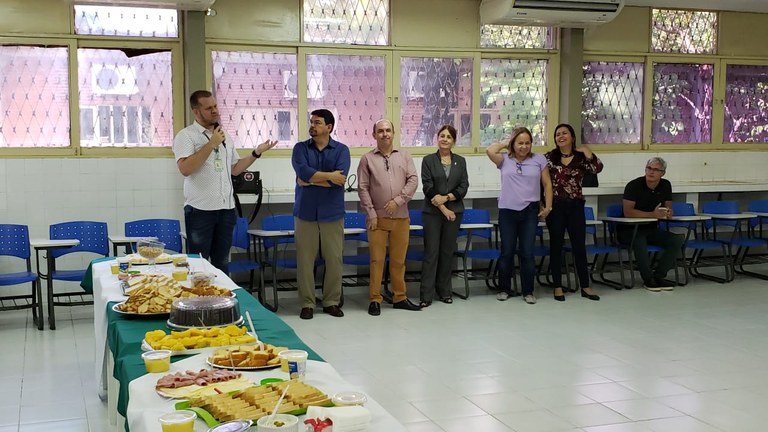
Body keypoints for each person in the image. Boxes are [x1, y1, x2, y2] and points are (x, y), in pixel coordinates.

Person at [173, 90, 277, 274]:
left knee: (222, 263)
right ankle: (199, 294)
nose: (215, 111)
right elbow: (185, 169)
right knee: (199, 264)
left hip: (226, 209)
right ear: (196, 112)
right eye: (209, 108)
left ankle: (221, 293)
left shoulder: (224, 136)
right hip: (200, 210)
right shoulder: (186, 136)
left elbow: (234, 169)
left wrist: (256, 153)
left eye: (215, 106)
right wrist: (211, 144)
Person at [358, 119, 422, 316]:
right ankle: (375, 299)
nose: (384, 134)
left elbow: (413, 180)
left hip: (401, 217)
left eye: (388, 130)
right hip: (377, 219)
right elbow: (363, 187)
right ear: (374, 135)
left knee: (398, 261)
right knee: (377, 261)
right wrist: (371, 213)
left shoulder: (404, 156)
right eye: (380, 131)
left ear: (394, 133)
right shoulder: (367, 159)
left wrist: (399, 200)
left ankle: (399, 297)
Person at [291, 109, 351, 320]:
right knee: (305, 261)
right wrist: (328, 177)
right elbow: (303, 172)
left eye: (317, 122)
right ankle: (307, 303)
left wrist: (310, 181)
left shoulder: (341, 150)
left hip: (332, 213)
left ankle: (331, 302)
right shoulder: (300, 148)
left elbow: (339, 181)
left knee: (334, 260)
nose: (312, 126)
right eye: (312, 122)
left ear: (329, 127)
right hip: (305, 213)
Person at [486, 127, 553, 305]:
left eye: (527, 143)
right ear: (513, 144)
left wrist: (548, 206)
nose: (524, 146)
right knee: (507, 251)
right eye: (520, 143)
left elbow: (547, 184)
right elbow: (490, 150)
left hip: (530, 211)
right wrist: (505, 144)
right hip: (508, 211)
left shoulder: (539, 159)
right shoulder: (504, 159)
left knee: (527, 252)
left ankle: (528, 291)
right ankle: (504, 288)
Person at [545, 123, 604, 302]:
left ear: (572, 137)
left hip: (576, 206)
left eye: (565, 133)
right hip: (555, 207)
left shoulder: (581, 157)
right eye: (557, 134)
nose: (561, 136)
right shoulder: (549, 157)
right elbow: (542, 182)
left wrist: (588, 151)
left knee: (579, 246)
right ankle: (557, 286)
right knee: (556, 246)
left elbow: (597, 168)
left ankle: (585, 286)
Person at [419, 125, 469, 307]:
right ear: (437, 138)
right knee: (431, 252)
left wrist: (447, 198)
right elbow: (427, 187)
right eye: (442, 136)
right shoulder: (428, 160)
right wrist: (444, 208)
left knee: (447, 252)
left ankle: (444, 291)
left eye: (449, 137)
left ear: (454, 141)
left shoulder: (460, 161)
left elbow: (463, 186)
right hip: (433, 213)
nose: (445, 139)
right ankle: (426, 295)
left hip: (455, 212)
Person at [620, 157, 684, 291]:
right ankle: (648, 279)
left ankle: (659, 276)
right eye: (649, 168)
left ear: (663, 173)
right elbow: (628, 212)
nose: (651, 172)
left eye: (656, 169)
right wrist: (652, 214)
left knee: (677, 239)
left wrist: (667, 213)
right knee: (639, 240)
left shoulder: (665, 185)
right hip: (629, 230)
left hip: (650, 229)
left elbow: (667, 207)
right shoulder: (634, 185)